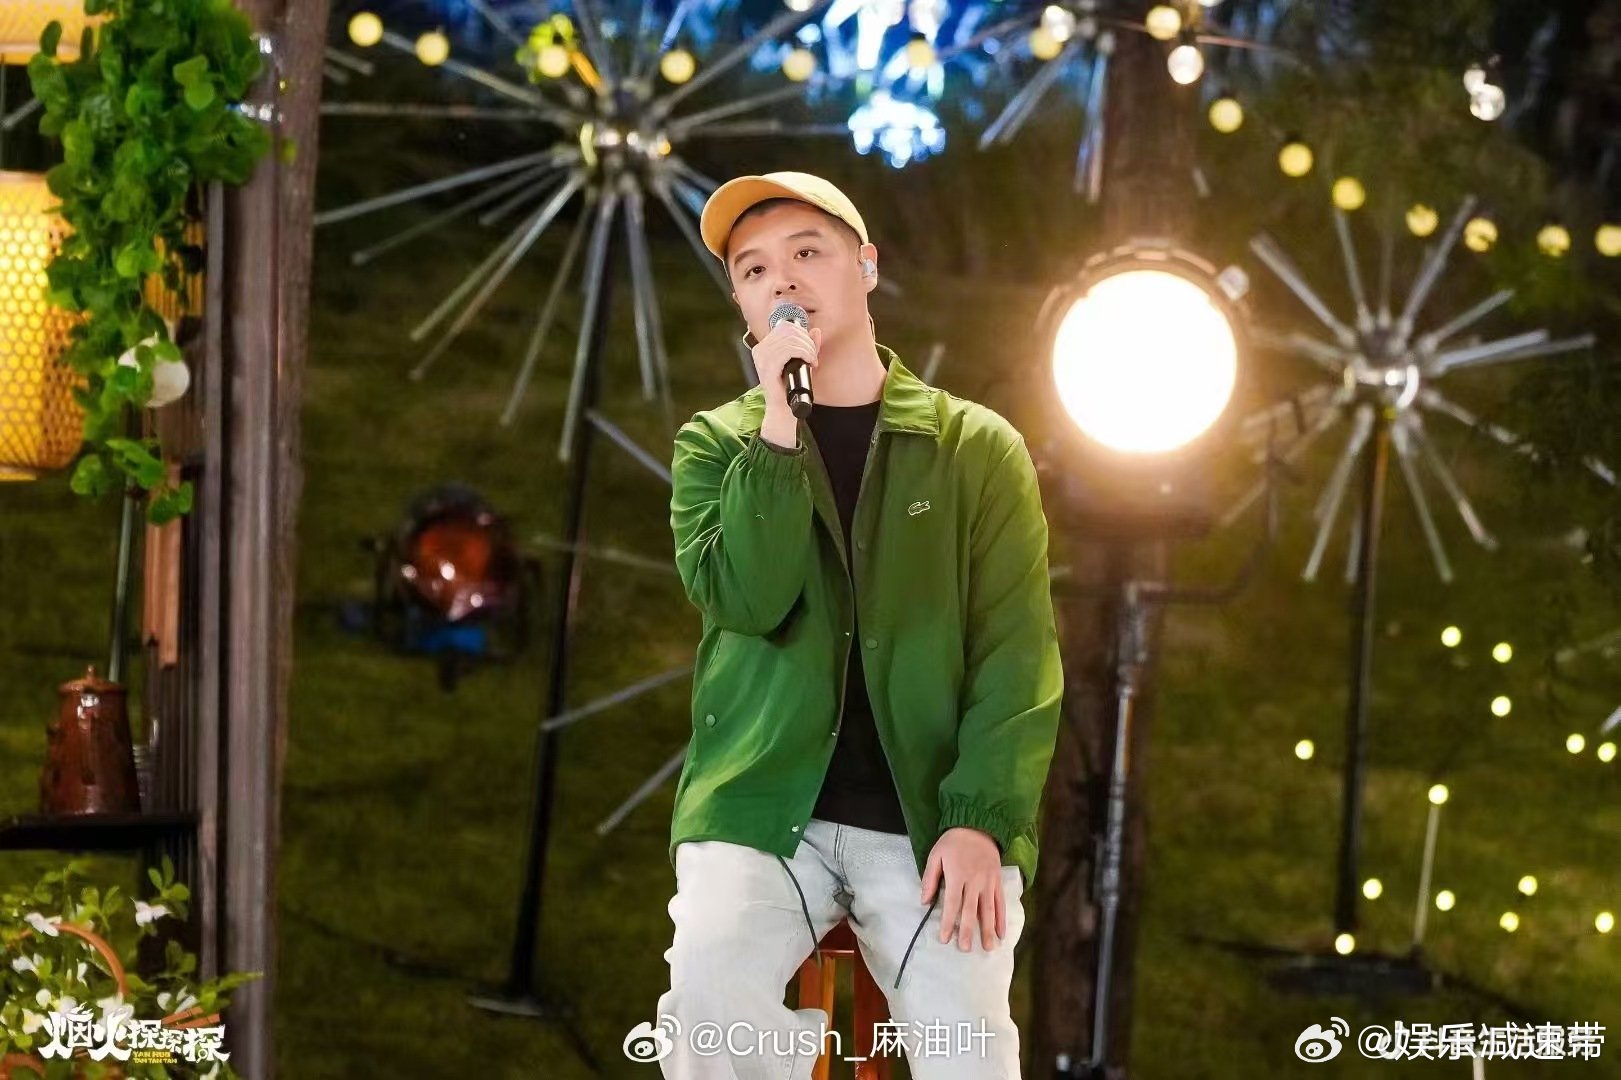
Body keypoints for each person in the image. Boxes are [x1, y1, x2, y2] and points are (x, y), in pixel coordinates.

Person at [655, 171, 1063, 1080]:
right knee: (707, 1006)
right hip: (763, 812)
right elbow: (746, 600)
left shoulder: (974, 448)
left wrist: (980, 820)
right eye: (754, 269)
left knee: (968, 1049)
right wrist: (777, 425)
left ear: (865, 267)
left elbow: (1016, 652)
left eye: (807, 252)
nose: (782, 279)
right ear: (742, 304)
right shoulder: (714, 445)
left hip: (926, 819)